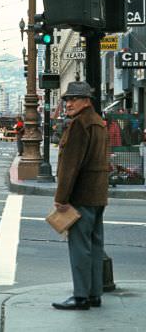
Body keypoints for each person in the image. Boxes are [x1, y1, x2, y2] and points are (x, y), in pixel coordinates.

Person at [52, 81, 109, 311]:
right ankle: (94, 294)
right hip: (97, 194)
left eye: (74, 99)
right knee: (95, 245)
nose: (69, 103)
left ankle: (81, 296)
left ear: (87, 101)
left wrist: (61, 198)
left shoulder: (79, 125)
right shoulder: (98, 123)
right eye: (67, 99)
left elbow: (70, 166)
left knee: (80, 247)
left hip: (81, 195)